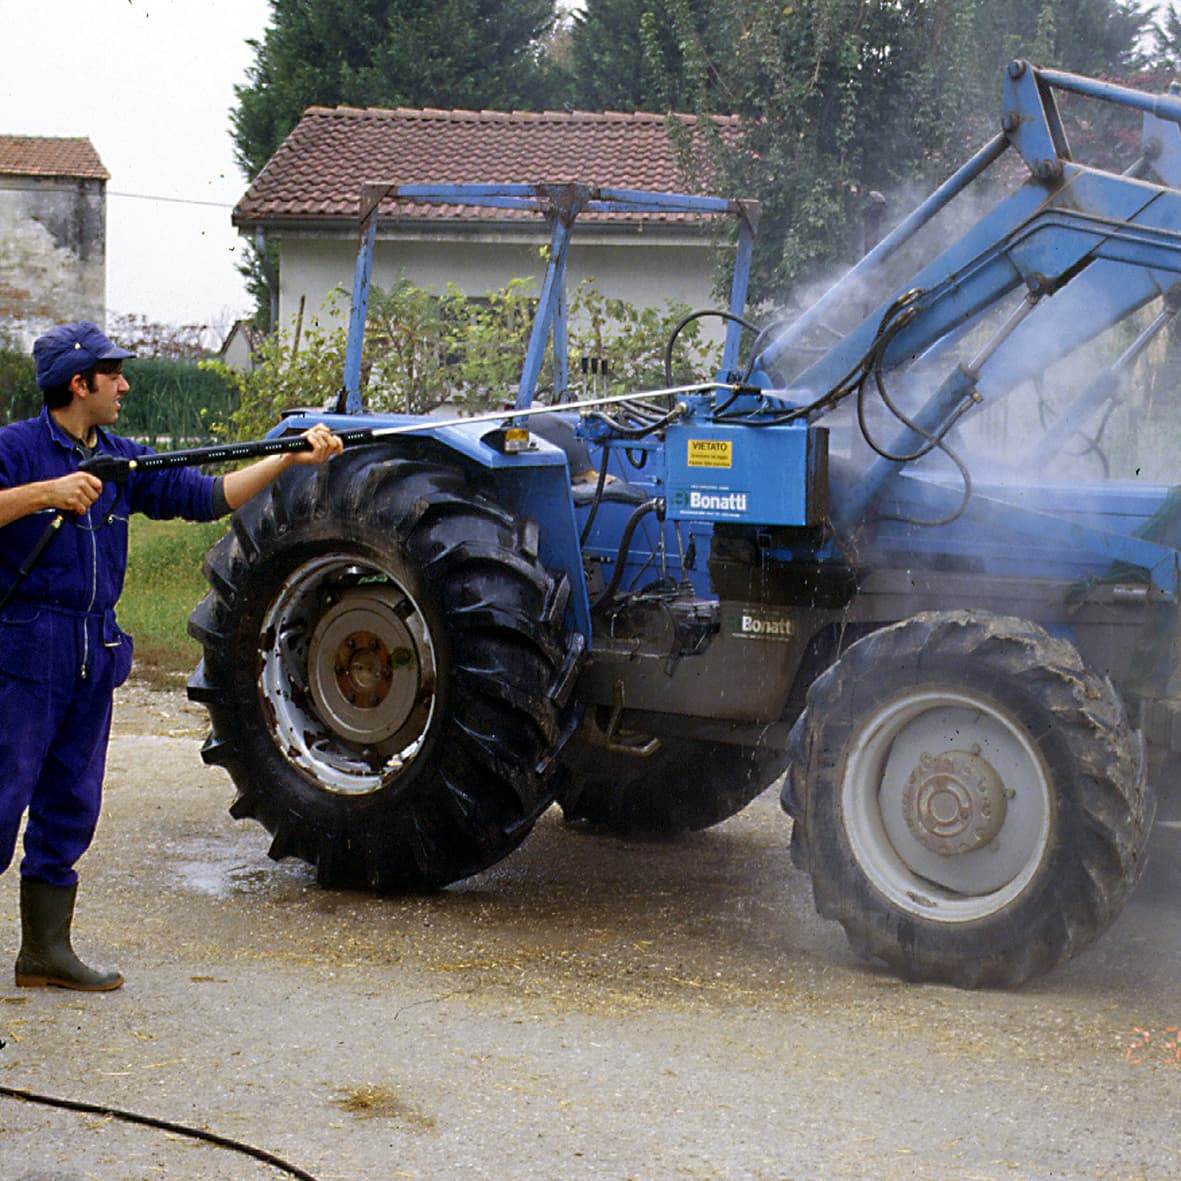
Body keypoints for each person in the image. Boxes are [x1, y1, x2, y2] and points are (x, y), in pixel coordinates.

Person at [0, 320, 343, 991]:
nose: (124, 384)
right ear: (79, 383)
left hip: (90, 647)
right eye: (114, 373)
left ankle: (44, 951)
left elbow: (206, 495)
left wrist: (288, 458)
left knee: (72, 801)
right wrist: (48, 493)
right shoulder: (15, 449)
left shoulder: (121, 457)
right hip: (24, 647)